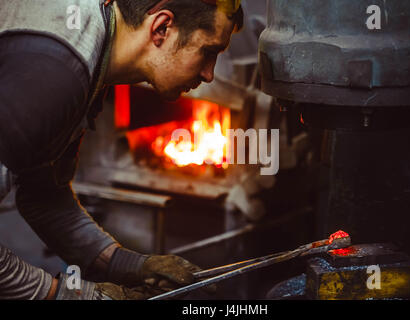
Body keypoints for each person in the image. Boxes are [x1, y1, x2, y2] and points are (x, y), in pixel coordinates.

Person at [0, 0, 243, 300]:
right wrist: (61, 294)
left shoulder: (90, 55)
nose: (209, 74)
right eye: (208, 51)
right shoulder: (57, 74)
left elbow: (44, 198)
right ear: (162, 28)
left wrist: (132, 266)